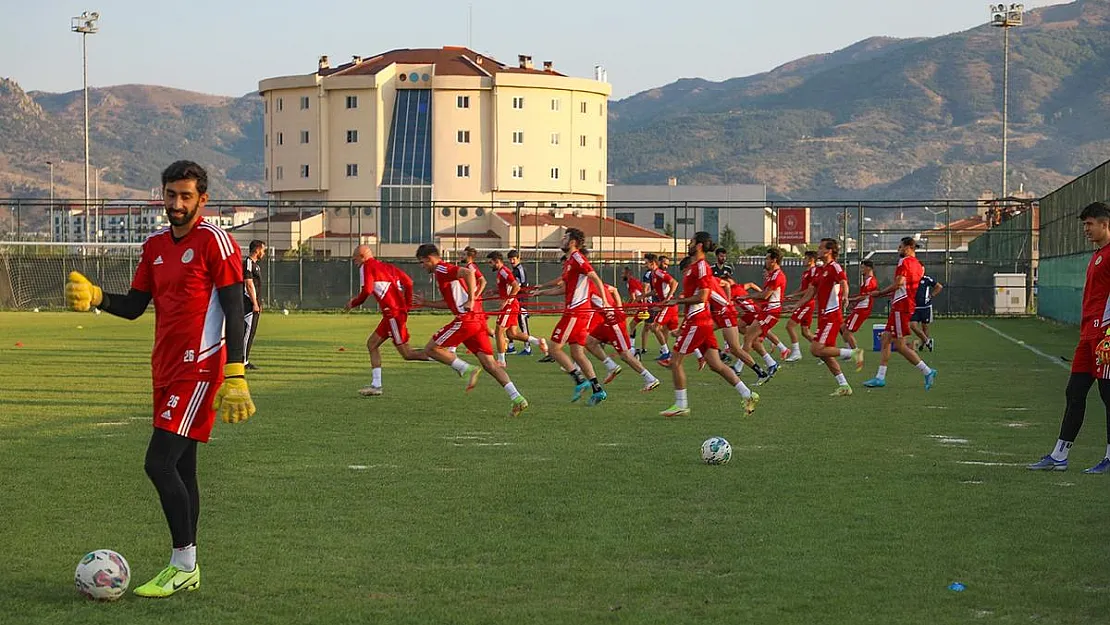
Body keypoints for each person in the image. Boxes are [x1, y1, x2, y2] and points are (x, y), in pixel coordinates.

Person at [64, 160, 256, 597]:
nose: (177, 204)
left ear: (202, 200)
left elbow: (233, 308)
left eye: (186, 196)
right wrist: (96, 297)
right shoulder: (153, 247)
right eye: (171, 195)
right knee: (183, 469)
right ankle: (189, 567)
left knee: (158, 463)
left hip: (200, 367)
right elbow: (134, 306)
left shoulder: (216, 242)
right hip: (165, 368)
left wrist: (236, 374)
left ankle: (182, 563)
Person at [1028, 202, 1110, 472]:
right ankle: (1059, 455)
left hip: (1105, 336)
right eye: (1084, 224)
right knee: (1074, 392)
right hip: (1088, 336)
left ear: (1104, 224)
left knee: (1108, 394)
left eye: (1089, 224)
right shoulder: (1098, 255)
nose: (1085, 229)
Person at [413, 244, 529, 416]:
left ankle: (466, 369)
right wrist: (426, 303)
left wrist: (471, 300)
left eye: (422, 263)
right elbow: (450, 303)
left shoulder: (442, 269)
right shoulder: (441, 273)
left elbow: (469, 273)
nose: (422, 267)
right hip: (476, 320)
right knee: (490, 364)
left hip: (467, 319)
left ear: (429, 258)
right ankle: (518, 398)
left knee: (431, 349)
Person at [660, 232, 759, 417]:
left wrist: (677, 302)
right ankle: (748, 394)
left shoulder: (702, 267)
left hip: (698, 320)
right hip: (699, 320)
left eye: (691, 242)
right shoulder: (693, 267)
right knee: (716, 364)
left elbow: (703, 297)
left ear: (698, 245)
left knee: (675, 362)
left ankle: (681, 404)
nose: (688, 244)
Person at [529, 228, 610, 405]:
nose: (562, 240)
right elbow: (563, 288)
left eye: (565, 237)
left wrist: (604, 301)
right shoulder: (569, 262)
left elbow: (594, 277)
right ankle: (598, 390)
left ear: (572, 242)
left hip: (576, 312)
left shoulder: (578, 258)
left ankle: (580, 381)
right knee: (577, 353)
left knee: (554, 349)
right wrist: (541, 292)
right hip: (578, 312)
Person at [345, 245, 427, 396]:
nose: (354, 261)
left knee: (407, 354)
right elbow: (408, 282)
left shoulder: (366, 266)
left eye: (355, 257)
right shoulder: (386, 267)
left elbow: (367, 290)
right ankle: (376, 385)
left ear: (362, 256)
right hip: (392, 314)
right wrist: (407, 304)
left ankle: (447, 358)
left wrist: (354, 303)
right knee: (372, 344)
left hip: (393, 315)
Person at [789, 238, 863, 396]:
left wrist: (846, 296)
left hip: (831, 316)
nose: (819, 250)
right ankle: (844, 385)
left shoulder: (834, 266)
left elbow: (843, 281)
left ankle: (853, 353)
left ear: (829, 251)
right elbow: (810, 293)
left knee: (816, 350)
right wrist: (795, 305)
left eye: (821, 248)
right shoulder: (821, 270)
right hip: (823, 317)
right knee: (824, 353)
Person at [863, 237, 938, 390]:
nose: (899, 249)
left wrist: (880, 293)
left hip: (901, 305)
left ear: (908, 247)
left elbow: (899, 284)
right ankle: (880, 377)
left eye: (901, 246)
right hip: (904, 303)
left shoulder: (904, 262)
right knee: (885, 338)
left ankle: (927, 371)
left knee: (900, 345)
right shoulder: (918, 265)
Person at [584, 279, 661, 392]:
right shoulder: (597, 283)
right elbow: (614, 290)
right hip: (607, 321)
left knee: (625, 355)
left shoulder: (586, 286)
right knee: (589, 342)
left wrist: (618, 311)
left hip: (614, 321)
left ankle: (650, 379)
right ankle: (612, 366)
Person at [487, 251, 548, 366]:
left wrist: (508, 300)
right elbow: (508, 288)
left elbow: (515, 286)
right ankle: (538, 341)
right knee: (512, 334)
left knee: (499, 331)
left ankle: (501, 360)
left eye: (490, 262)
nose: (489, 265)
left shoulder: (504, 271)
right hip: (512, 304)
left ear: (497, 261)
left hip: (510, 306)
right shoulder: (501, 272)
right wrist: (494, 291)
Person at [741, 248, 787, 381]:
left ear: (774, 260)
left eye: (767, 258)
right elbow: (763, 296)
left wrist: (747, 297)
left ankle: (738, 369)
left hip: (771, 312)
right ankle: (772, 363)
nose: (765, 261)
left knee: (748, 338)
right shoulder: (772, 275)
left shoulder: (777, 275)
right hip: (766, 311)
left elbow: (765, 295)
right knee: (753, 340)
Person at [782, 250, 819, 362]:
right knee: (805, 332)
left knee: (790, 326)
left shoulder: (813, 271)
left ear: (811, 260)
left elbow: (809, 290)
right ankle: (823, 351)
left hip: (807, 303)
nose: (803, 260)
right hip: (805, 302)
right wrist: (792, 295)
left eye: (805, 258)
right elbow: (802, 288)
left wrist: (795, 295)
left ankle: (796, 353)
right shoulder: (806, 272)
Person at [646, 254, 680, 366]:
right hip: (666, 304)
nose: (645, 265)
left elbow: (674, 283)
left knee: (654, 327)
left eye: (646, 262)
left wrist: (667, 299)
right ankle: (699, 353)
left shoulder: (658, 272)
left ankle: (666, 353)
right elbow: (656, 291)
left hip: (669, 304)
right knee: (675, 333)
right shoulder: (652, 274)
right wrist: (642, 296)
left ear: (652, 263)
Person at [841, 259, 878, 350]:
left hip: (863, 309)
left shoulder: (870, 281)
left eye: (862, 267)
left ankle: (856, 353)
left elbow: (863, 297)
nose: (861, 270)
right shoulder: (867, 280)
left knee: (847, 331)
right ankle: (849, 352)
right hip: (860, 308)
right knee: (842, 327)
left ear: (868, 268)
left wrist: (848, 299)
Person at [242, 240, 266, 370]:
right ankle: (243, 361)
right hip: (248, 304)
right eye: (263, 250)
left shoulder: (256, 265)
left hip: (254, 304)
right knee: (247, 332)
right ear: (257, 250)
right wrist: (254, 303)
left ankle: (245, 359)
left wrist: (259, 302)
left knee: (251, 332)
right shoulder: (248, 263)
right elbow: (249, 284)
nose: (264, 253)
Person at [505, 249, 533, 355]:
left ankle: (528, 348)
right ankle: (511, 347)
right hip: (514, 300)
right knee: (510, 323)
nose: (512, 261)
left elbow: (522, 285)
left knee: (522, 323)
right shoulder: (514, 270)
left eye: (514, 259)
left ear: (518, 259)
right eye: (510, 259)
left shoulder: (520, 269)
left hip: (521, 300)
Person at [621, 266, 652, 357]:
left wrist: (627, 308)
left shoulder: (630, 282)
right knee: (648, 327)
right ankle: (642, 348)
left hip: (644, 307)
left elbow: (634, 298)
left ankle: (632, 347)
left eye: (623, 273)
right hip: (646, 305)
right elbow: (633, 298)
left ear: (628, 274)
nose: (621, 275)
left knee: (633, 325)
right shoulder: (633, 281)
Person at [911, 273, 943, 351]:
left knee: (925, 326)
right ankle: (927, 341)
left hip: (925, 307)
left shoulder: (926, 279)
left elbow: (939, 286)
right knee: (913, 326)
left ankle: (924, 344)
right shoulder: (911, 278)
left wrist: (931, 295)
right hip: (914, 307)